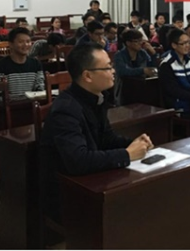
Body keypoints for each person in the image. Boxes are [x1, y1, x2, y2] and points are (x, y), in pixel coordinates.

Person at [39, 43, 153, 223]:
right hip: (69, 192)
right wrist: (126, 154)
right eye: (107, 67)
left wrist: (133, 144)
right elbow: (78, 161)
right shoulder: (66, 109)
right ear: (87, 76)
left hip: (90, 179)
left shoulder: (97, 98)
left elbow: (106, 137)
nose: (113, 71)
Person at [0, 27, 44, 100]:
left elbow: (40, 88)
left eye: (28, 41)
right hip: (9, 105)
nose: (25, 44)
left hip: (32, 104)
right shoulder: (0, 66)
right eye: (21, 42)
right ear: (11, 44)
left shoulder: (36, 63)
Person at [158, 28, 190, 115]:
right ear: (174, 45)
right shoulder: (167, 64)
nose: (188, 46)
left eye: (189, 43)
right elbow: (173, 90)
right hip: (177, 104)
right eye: (184, 43)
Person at [113, 30, 156, 104]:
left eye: (141, 40)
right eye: (137, 41)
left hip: (141, 86)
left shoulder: (142, 53)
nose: (140, 43)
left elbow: (151, 67)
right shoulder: (119, 55)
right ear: (128, 43)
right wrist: (142, 70)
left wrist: (153, 54)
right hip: (124, 88)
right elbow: (122, 71)